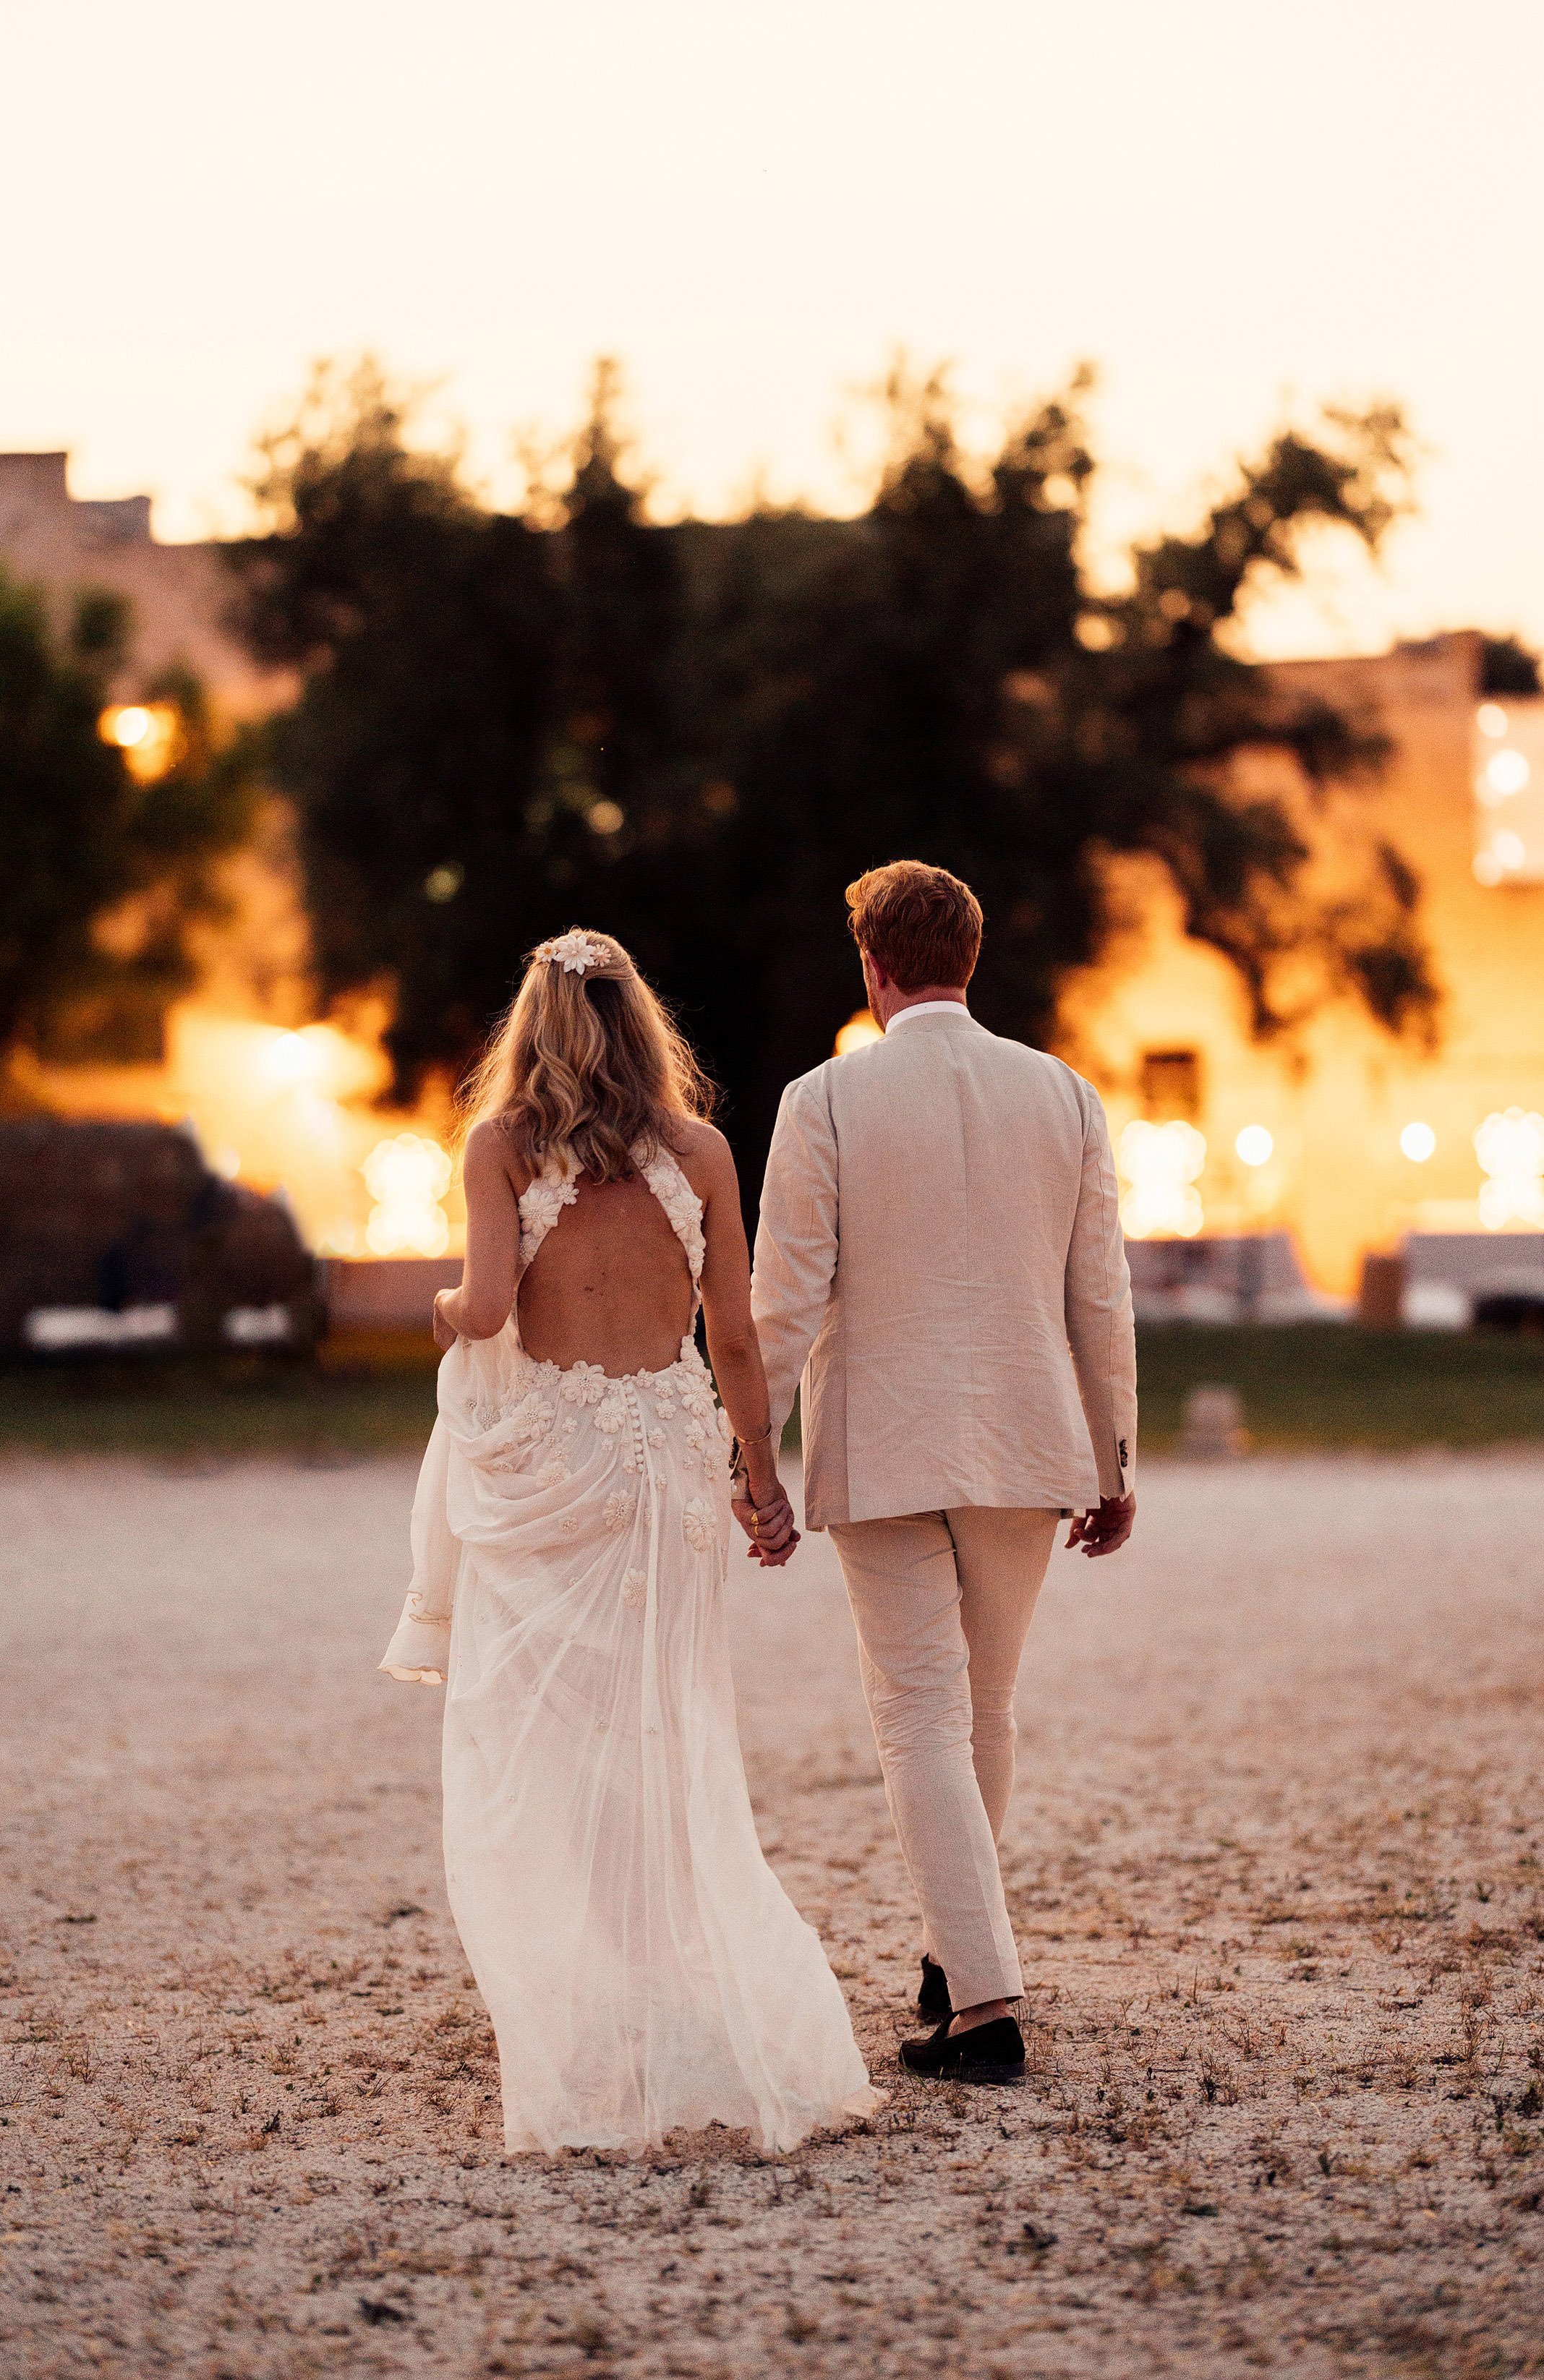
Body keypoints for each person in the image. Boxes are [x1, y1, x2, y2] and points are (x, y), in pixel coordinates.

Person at [380, 927, 879, 2154]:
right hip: (664, 1463)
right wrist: (760, 1480)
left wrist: (442, 1307)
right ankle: (684, 2002)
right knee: (672, 1724)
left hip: (555, 1467)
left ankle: (596, 2013)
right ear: (640, 1023)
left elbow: (487, 1308)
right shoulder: (701, 1151)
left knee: (545, 1736)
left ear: (533, 1030)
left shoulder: (500, 1149)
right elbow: (741, 1342)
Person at [748, 862, 1137, 2086]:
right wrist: (1114, 1454)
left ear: (872, 967)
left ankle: (983, 2009)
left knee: (919, 1712)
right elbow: (1101, 1298)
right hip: (1029, 1446)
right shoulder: (1064, 1094)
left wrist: (749, 1456)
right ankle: (950, 1955)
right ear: (972, 960)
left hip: (885, 1449)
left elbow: (784, 1303)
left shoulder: (822, 1101)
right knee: (986, 1708)